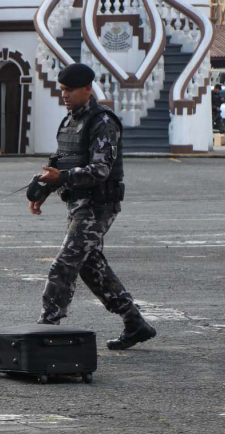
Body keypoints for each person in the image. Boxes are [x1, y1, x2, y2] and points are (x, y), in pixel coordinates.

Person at [29, 62, 156, 350]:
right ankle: (134, 322)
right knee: (90, 265)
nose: (65, 95)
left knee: (65, 263)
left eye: (70, 90)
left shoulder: (103, 122)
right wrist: (45, 187)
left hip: (99, 205)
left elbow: (100, 170)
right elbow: (61, 160)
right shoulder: (70, 121)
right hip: (77, 203)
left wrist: (62, 178)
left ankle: (47, 327)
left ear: (88, 88)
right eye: (62, 90)